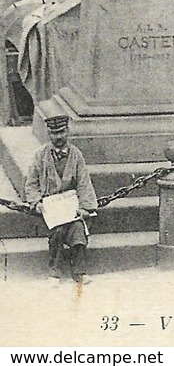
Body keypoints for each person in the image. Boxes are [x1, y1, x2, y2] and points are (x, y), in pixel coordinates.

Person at [25, 112, 98, 283]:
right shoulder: (40, 155)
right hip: (50, 208)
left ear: (68, 131)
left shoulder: (76, 154)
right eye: (54, 133)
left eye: (62, 132)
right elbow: (31, 183)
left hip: (71, 207)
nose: (58, 137)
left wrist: (85, 207)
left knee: (78, 229)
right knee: (58, 231)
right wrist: (36, 203)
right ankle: (54, 271)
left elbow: (83, 182)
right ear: (49, 134)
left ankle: (79, 271)